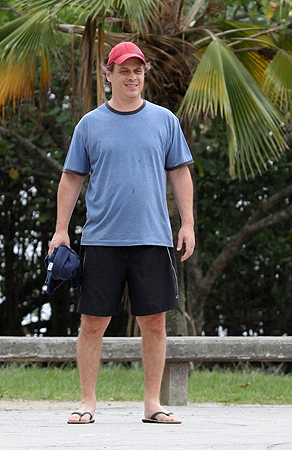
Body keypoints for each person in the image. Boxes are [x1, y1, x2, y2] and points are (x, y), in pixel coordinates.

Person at [49, 41, 194, 424]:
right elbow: (71, 178)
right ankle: (87, 402)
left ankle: (152, 404)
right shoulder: (89, 124)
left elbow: (180, 172)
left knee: (156, 322)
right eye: (124, 70)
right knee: (92, 323)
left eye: (138, 70)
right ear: (108, 75)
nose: (133, 77)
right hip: (101, 239)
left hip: (154, 238)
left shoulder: (164, 120)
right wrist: (61, 230)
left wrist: (188, 223)